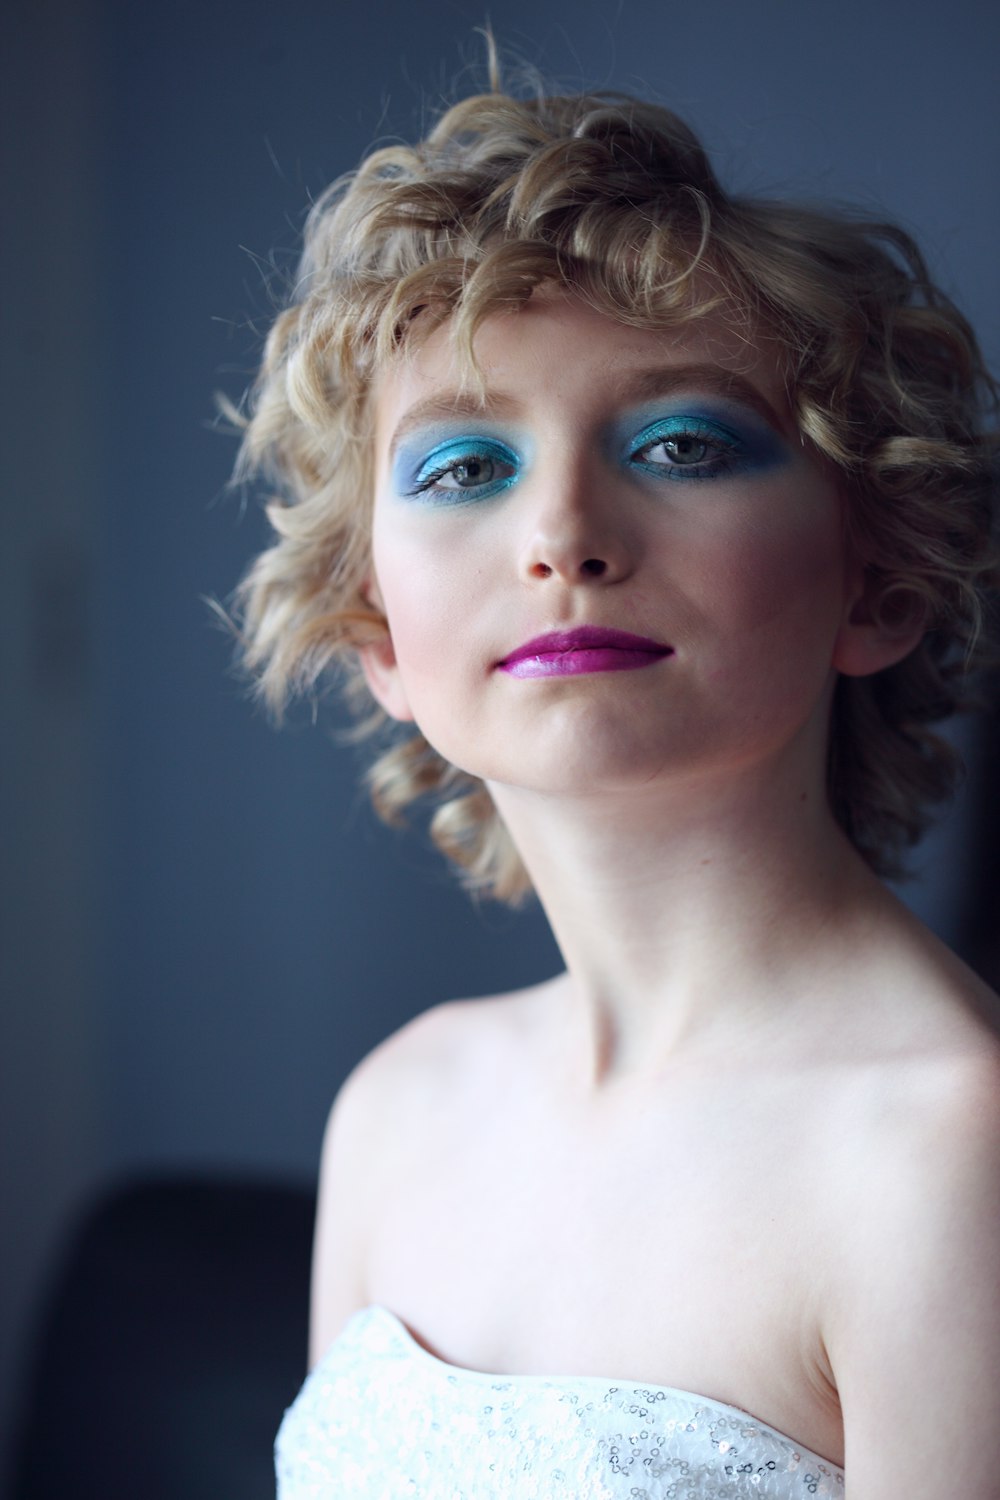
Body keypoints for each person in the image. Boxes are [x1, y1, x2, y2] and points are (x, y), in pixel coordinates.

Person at [229, 52, 1000, 1499]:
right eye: (464, 467)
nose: (564, 533)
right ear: (376, 629)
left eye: (682, 442)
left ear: (878, 585)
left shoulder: (957, 1152)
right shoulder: (399, 1109)